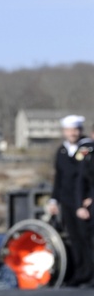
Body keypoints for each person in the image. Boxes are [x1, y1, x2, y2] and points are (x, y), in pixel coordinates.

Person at [48, 114, 92, 286]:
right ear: (64, 131)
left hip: (83, 202)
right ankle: (80, 273)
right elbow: (59, 178)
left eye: (76, 130)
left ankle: (90, 274)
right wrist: (54, 200)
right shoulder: (62, 151)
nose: (73, 133)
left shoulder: (88, 148)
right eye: (69, 130)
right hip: (67, 201)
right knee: (74, 238)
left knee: (86, 238)